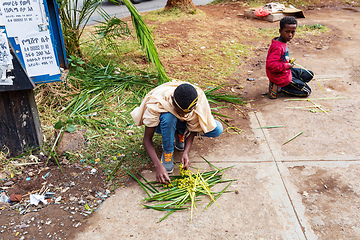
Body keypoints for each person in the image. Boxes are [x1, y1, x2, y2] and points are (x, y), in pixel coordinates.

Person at [131, 81, 223, 184]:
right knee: (169, 118)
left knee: (217, 129)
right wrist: (158, 165)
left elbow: (193, 128)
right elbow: (147, 139)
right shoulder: (158, 102)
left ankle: (180, 133)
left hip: (182, 125)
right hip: (163, 124)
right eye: (179, 112)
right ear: (171, 100)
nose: (183, 116)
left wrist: (186, 153)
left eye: (186, 114)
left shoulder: (198, 101)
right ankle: (168, 152)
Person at [266, 16, 314, 99]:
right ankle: (280, 87)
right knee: (307, 91)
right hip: (281, 77)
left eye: (293, 32)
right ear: (280, 31)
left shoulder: (282, 42)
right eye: (287, 32)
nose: (290, 35)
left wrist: (287, 62)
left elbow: (280, 59)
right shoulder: (277, 47)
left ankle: (281, 83)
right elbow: (270, 65)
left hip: (285, 71)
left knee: (310, 74)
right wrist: (287, 66)